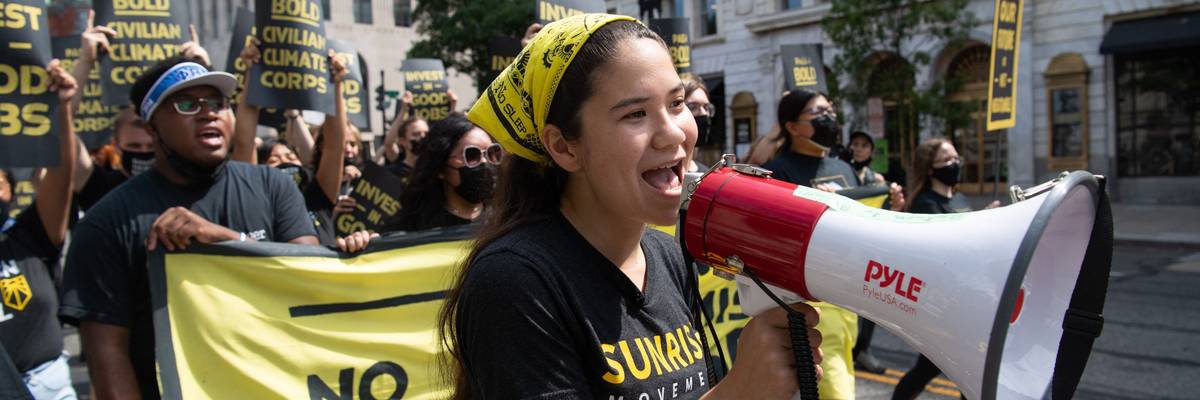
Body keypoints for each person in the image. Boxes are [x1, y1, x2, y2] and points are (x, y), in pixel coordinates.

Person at [448, 14, 822, 399]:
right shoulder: (514, 281)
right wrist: (740, 392)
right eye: (635, 114)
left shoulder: (668, 255)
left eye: (677, 103)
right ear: (563, 146)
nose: (675, 132)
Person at [59, 55, 320, 400]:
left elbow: (314, 277)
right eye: (187, 104)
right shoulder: (107, 223)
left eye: (217, 102)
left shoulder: (274, 187)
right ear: (152, 126)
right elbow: (109, 359)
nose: (208, 112)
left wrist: (226, 242)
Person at [892, 138, 999, 400]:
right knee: (943, 370)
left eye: (956, 158)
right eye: (948, 160)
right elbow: (947, 247)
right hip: (945, 305)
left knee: (963, 372)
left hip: (966, 300)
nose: (956, 164)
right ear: (931, 169)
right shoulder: (925, 204)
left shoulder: (959, 197)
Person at [1, 59, 79, 400]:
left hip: (49, 388)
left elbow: (61, 176)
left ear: (9, 189)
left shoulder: (28, 235)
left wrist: (62, 108)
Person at [396, 113, 500, 231]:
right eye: (471, 155)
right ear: (440, 168)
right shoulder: (412, 228)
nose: (484, 162)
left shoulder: (506, 218)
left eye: (491, 153)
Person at [682, 76, 712, 172]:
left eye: (706, 107)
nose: (703, 113)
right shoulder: (665, 175)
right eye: (693, 107)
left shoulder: (706, 174)